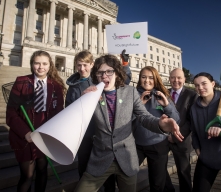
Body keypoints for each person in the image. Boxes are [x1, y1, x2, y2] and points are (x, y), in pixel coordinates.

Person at [74, 54, 183, 192]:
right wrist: (83, 103)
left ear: (117, 73)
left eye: (109, 71)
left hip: (126, 159)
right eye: (100, 72)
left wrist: (161, 124)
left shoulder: (130, 92)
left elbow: (144, 117)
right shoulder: (91, 94)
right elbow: (79, 123)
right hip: (101, 158)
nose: (104, 76)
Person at [65, 50, 131, 191]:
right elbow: (69, 112)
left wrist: (125, 64)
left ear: (92, 64)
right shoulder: (73, 88)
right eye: (79, 65)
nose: (82, 69)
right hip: (84, 136)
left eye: (85, 65)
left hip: (104, 135)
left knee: (108, 175)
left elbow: (124, 79)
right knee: (84, 169)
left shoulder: (101, 79)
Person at [6, 50, 67, 192]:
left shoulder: (56, 86)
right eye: (37, 63)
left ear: (50, 65)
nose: (41, 67)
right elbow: (11, 113)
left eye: (44, 63)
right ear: (32, 64)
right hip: (25, 137)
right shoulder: (21, 82)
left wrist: (51, 132)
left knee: (42, 170)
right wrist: (25, 133)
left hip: (44, 136)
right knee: (27, 175)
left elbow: (58, 111)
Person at [133, 66, 180, 192]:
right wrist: (140, 104)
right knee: (127, 173)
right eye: (143, 77)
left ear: (155, 79)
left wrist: (166, 105)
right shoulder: (132, 94)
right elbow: (125, 119)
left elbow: (176, 119)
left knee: (157, 183)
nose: (147, 80)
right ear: (139, 78)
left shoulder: (162, 94)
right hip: (137, 144)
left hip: (158, 145)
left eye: (151, 78)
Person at [164, 68, 198, 192]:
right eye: (173, 77)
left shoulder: (192, 95)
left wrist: (175, 136)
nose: (176, 80)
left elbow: (191, 120)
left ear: (184, 79)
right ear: (169, 79)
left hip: (182, 139)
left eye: (179, 77)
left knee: (184, 172)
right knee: (161, 168)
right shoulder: (164, 93)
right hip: (163, 138)